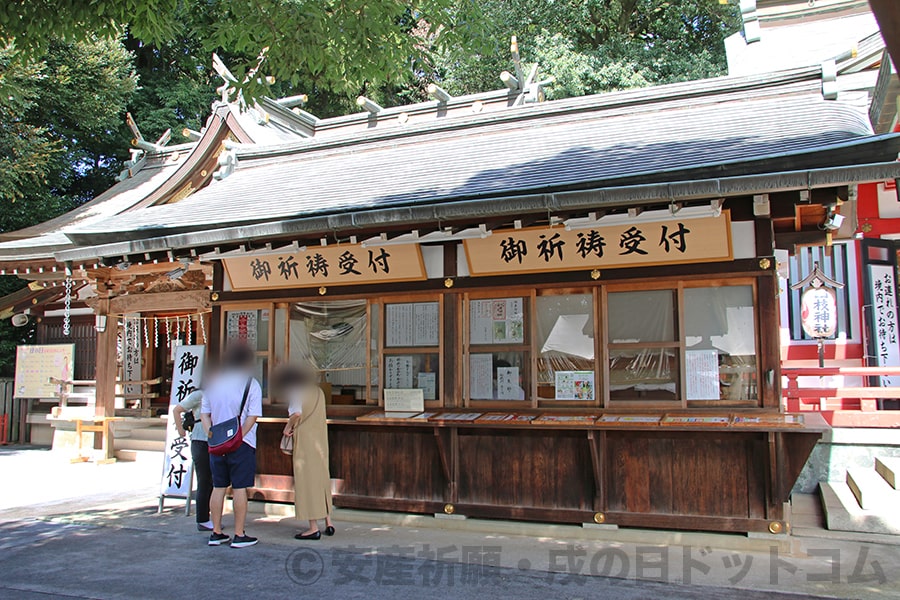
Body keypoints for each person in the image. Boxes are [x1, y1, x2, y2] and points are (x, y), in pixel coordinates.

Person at [200, 344, 262, 548]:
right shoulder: (251, 384)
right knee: (239, 488)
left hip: (217, 444)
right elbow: (252, 417)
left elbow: (204, 414)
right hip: (241, 443)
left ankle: (216, 532)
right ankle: (238, 533)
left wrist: (212, 434)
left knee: (218, 487)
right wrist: (238, 436)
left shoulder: (214, 383)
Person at [275, 364, 334, 540]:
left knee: (306, 482)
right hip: (320, 441)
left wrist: (287, 427)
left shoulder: (296, 392)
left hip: (305, 441)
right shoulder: (319, 392)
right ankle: (328, 522)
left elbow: (297, 413)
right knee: (322, 479)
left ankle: (313, 528)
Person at [172, 390, 213, 531]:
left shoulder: (219, 394)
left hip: (214, 441)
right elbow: (177, 410)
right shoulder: (199, 395)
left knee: (212, 481)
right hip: (200, 440)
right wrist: (180, 430)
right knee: (204, 480)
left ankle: (208, 516)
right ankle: (202, 519)